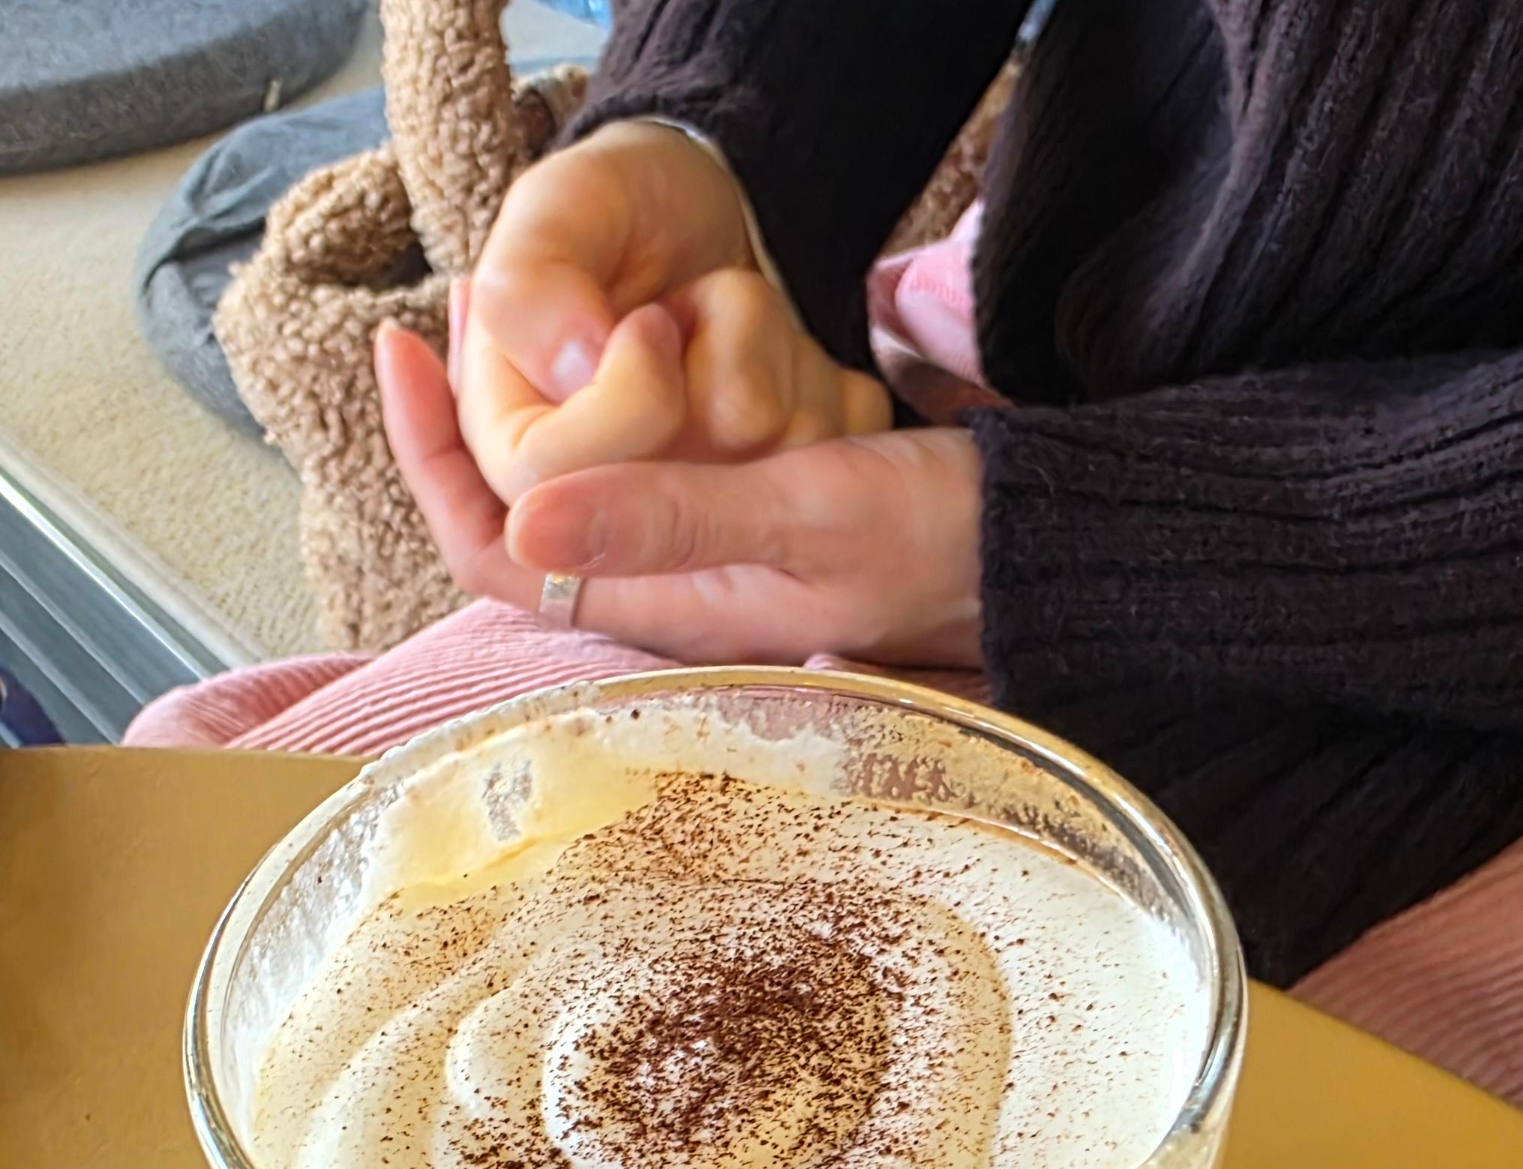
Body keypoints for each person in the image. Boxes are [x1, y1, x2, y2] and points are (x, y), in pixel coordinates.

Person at [134, 0, 1523, 1099]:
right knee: (201, 894)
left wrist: (1048, 548)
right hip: (1044, 378)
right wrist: (710, 140)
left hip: (1428, 633)